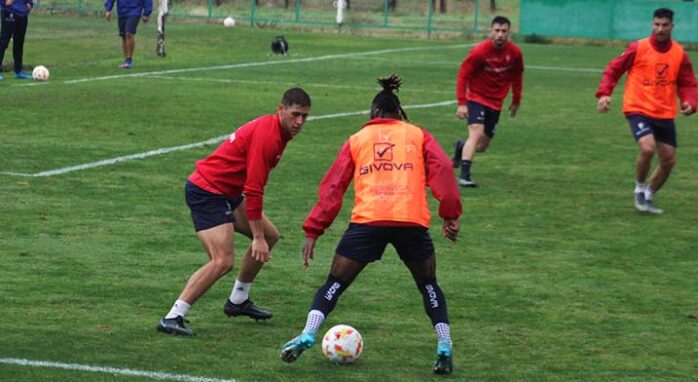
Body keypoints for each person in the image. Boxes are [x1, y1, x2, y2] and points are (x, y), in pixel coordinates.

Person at [279, 75, 462, 375]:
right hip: (410, 222)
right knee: (428, 284)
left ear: (374, 114)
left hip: (368, 223)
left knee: (334, 284)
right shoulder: (418, 135)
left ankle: (309, 333)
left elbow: (333, 188)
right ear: (399, 113)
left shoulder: (357, 139)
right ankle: (444, 344)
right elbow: (442, 170)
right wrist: (449, 214)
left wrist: (314, 230)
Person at [157, 88, 312, 336]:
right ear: (280, 109)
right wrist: (256, 237)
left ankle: (238, 300)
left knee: (271, 236)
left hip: (227, 191)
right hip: (208, 191)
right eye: (295, 115)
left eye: (304, 116)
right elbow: (253, 190)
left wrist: (262, 236)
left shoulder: (278, 132)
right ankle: (173, 316)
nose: (299, 122)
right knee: (222, 261)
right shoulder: (268, 137)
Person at [596, 8, 698, 214]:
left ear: (672, 26)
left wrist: (689, 101)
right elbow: (614, 69)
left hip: (664, 111)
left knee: (669, 160)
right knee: (647, 148)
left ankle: (649, 195)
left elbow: (687, 82)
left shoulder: (679, 53)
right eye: (656, 25)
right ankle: (639, 188)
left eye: (664, 25)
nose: (659, 29)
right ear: (652, 24)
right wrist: (604, 93)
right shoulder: (638, 47)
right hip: (638, 107)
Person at [452, 16, 524, 187]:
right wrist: (462, 103)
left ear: (509, 32)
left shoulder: (515, 54)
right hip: (476, 97)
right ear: (491, 31)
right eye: (497, 31)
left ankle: (461, 147)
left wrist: (516, 100)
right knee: (475, 134)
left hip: (496, 102)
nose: (500, 34)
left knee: (482, 145)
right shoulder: (479, 52)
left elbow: (517, 76)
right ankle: (464, 176)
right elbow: (463, 75)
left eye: (504, 31)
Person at [104, 0, 152, 69]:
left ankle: (129, 60)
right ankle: (126, 60)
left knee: (129, 34)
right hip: (122, 12)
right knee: (123, 36)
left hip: (135, 11)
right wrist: (108, 9)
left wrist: (146, 13)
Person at [0, 0, 33, 80]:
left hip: (22, 14)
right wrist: (5, 2)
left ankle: (18, 71)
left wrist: (29, 4)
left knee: (19, 43)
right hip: (9, 12)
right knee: (3, 42)